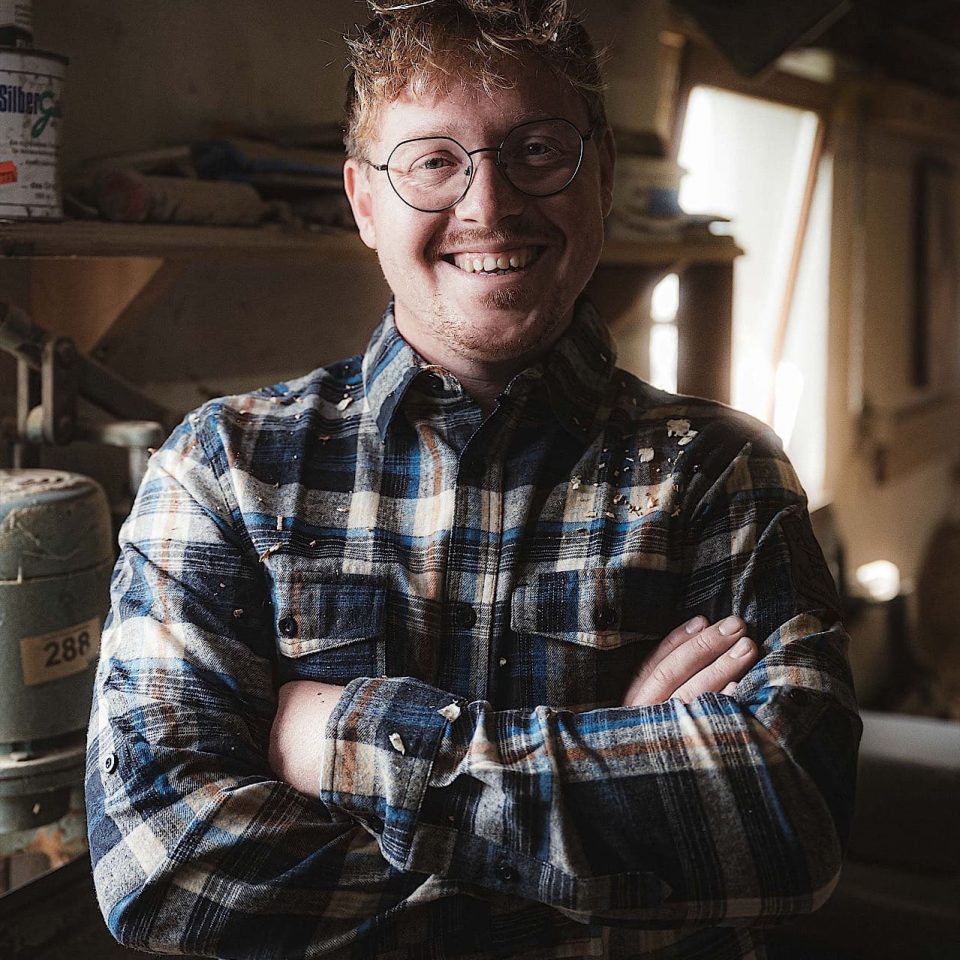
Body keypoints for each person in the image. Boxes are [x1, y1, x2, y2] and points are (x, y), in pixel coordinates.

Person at [86, 2, 861, 958]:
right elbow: (169, 873)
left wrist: (344, 737)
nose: (489, 206)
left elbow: (794, 828)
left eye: (537, 150)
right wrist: (611, 798)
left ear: (604, 176)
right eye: (433, 161)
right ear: (364, 201)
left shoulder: (718, 471)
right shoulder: (223, 468)